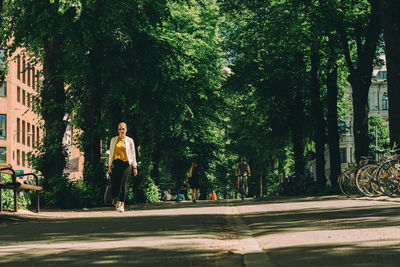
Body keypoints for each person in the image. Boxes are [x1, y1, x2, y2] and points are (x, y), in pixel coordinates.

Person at [108, 122, 138, 212]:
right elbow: (111, 153)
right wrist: (109, 165)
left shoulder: (130, 140)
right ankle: (118, 201)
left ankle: (122, 204)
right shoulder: (113, 140)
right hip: (116, 163)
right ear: (118, 130)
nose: (121, 131)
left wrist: (135, 167)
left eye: (123, 129)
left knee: (123, 185)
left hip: (126, 164)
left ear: (126, 130)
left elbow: (133, 154)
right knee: (116, 184)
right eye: (120, 129)